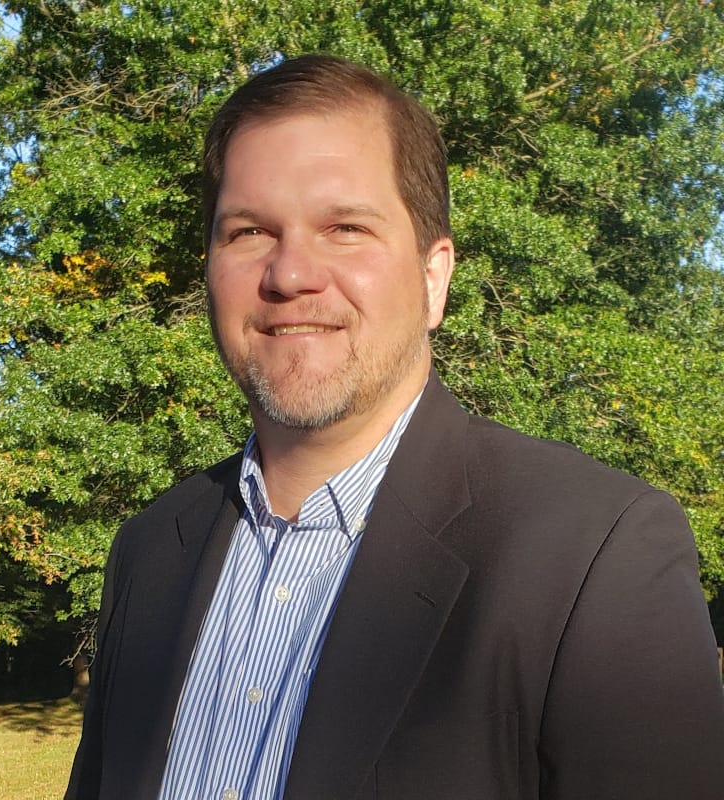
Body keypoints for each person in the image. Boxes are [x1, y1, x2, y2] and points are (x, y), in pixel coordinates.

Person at [65, 54, 724, 800]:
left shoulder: (593, 554)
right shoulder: (149, 550)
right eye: (249, 231)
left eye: (344, 227)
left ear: (434, 278)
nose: (288, 275)